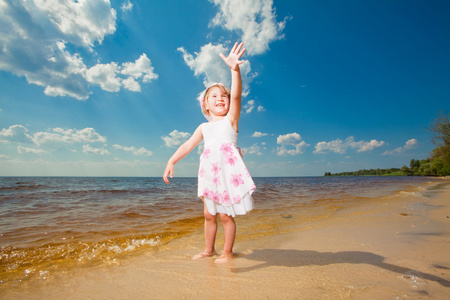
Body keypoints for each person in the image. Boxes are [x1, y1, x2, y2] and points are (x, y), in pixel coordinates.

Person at [163, 42, 255, 264]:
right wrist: (171, 160)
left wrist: (235, 69)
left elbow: (237, 97)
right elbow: (187, 145)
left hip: (226, 175)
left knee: (225, 215)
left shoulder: (231, 121)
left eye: (223, 95)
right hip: (208, 176)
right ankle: (209, 250)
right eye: (214, 96)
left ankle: (227, 252)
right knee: (208, 215)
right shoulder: (203, 127)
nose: (220, 98)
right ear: (205, 105)